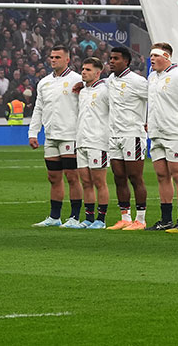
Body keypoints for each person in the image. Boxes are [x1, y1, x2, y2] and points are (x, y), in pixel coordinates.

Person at [29, 45, 84, 228]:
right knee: (53, 176)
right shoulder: (44, 82)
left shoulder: (78, 80)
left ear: (67, 60)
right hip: (51, 136)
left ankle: (75, 217)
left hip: (70, 135)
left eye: (57, 57)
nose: (53, 60)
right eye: (51, 57)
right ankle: (54, 217)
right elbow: (38, 108)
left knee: (72, 176)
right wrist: (33, 132)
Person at [147, 43, 178, 232]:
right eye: (150, 55)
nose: (151, 59)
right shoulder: (152, 77)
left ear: (166, 56)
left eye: (155, 55)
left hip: (176, 132)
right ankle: (166, 219)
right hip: (156, 133)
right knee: (161, 175)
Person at [105, 46, 149, 230]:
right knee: (119, 177)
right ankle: (125, 217)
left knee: (135, 177)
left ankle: (140, 219)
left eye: (115, 58)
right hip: (114, 135)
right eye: (110, 58)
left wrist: (148, 121)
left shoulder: (138, 81)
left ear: (126, 61)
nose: (111, 61)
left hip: (133, 134)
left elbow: (154, 100)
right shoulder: (109, 81)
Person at [76, 57, 111, 229]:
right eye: (83, 69)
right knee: (86, 182)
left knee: (99, 182)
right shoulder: (82, 91)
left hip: (98, 142)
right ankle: (88, 218)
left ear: (98, 73)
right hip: (81, 141)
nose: (83, 72)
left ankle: (101, 219)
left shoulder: (105, 90)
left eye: (88, 70)